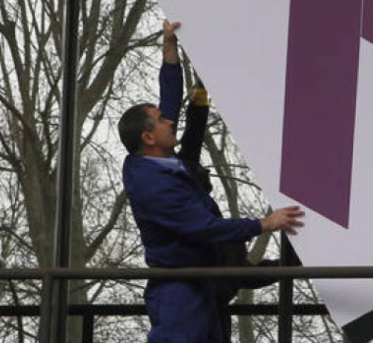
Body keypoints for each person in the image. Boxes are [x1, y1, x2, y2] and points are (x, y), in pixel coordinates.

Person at [120, 21, 304, 343]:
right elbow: (206, 228)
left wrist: (169, 52)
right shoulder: (154, 186)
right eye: (163, 121)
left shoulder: (156, 159)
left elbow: (170, 102)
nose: (169, 119)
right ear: (149, 137)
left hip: (204, 286)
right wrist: (265, 223)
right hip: (180, 291)